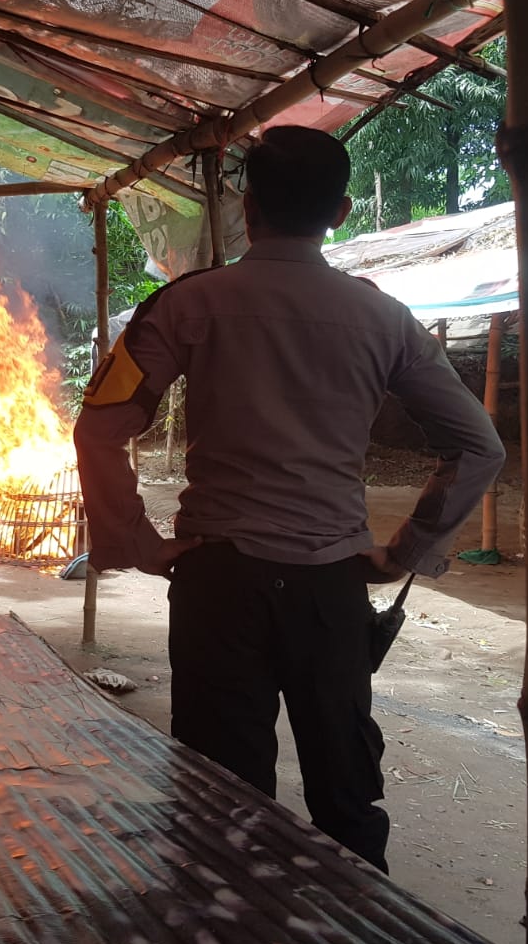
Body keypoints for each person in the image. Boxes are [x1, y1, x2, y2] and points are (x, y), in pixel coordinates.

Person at [73, 126, 504, 873]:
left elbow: (99, 429)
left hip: (219, 586)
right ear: (340, 213)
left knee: (219, 802)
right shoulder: (386, 320)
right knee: (347, 798)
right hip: (330, 592)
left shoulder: (187, 305)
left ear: (248, 205)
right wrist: (404, 553)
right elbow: (479, 447)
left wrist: (135, 542)